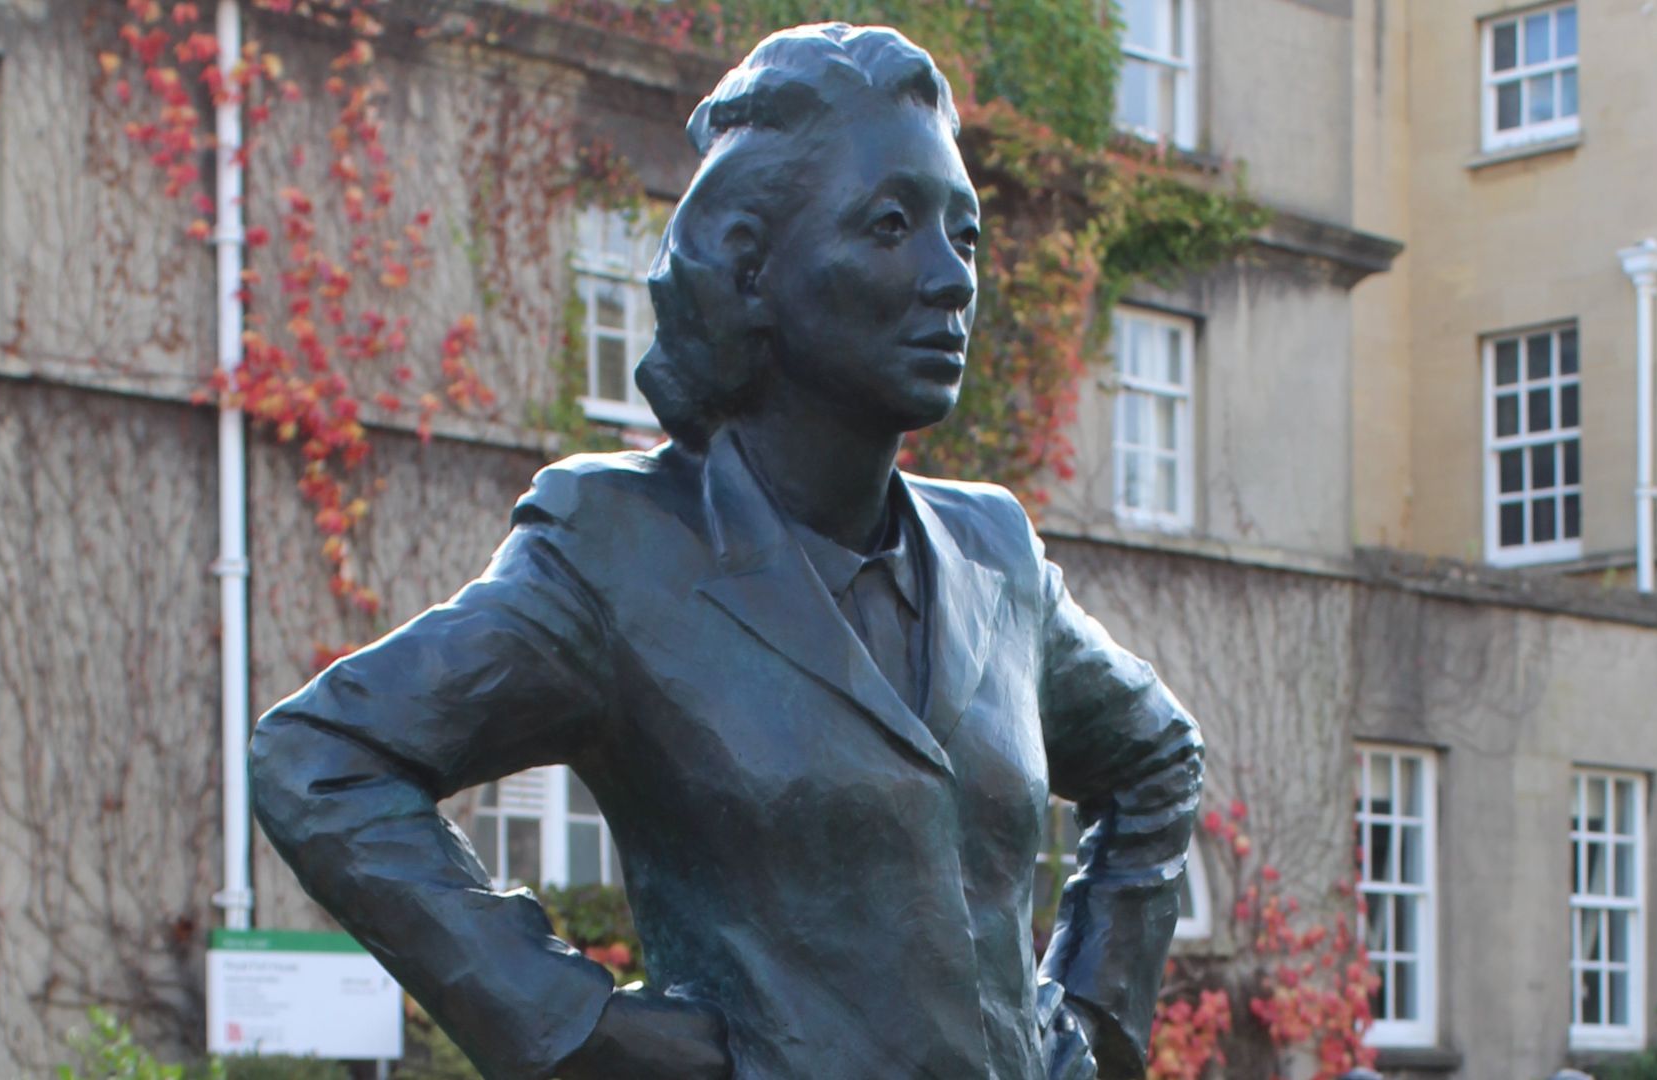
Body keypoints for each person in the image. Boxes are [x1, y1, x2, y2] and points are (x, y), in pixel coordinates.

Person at [250, 23, 1203, 1080]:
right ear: (750, 268)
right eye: (891, 226)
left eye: (965, 236)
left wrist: (1094, 1023)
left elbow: (1157, 760)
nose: (952, 279)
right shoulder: (620, 553)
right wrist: (576, 1028)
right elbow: (322, 760)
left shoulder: (996, 558)